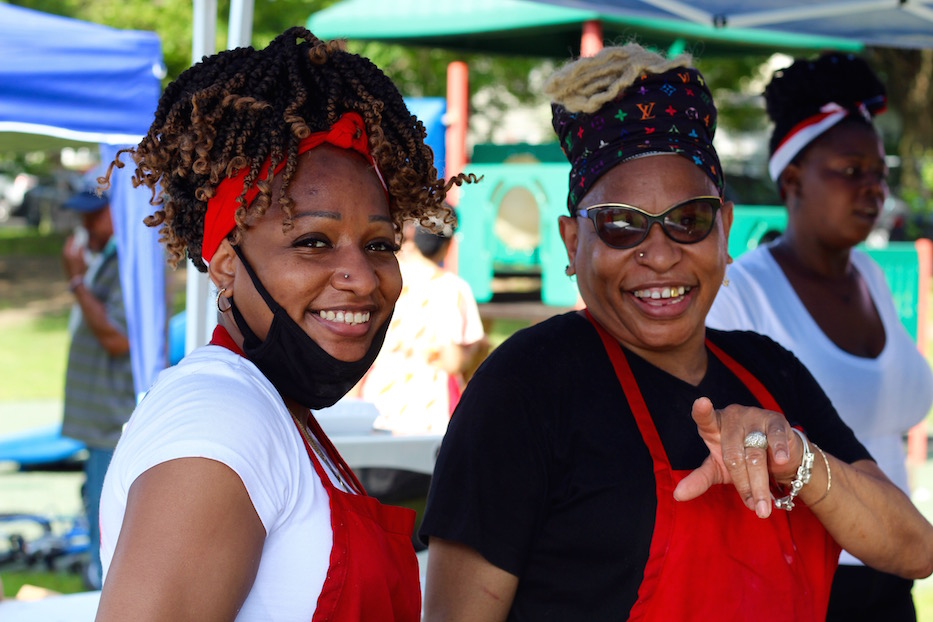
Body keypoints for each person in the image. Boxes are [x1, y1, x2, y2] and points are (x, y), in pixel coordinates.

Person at [419, 43, 933, 621]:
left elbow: (914, 548)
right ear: (571, 242)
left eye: (689, 221)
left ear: (725, 231)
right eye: (621, 226)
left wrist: (798, 459)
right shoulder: (525, 387)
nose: (660, 256)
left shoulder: (769, 370)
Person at [95, 27, 469, 620]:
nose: (364, 277)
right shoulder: (218, 419)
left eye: (378, 244)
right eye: (314, 241)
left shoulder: (276, 409)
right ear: (224, 264)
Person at [706, 52, 933, 621]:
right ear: (791, 179)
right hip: (803, 579)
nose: (873, 190)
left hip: (891, 569)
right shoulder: (742, 291)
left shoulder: (874, 279)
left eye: (879, 174)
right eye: (850, 170)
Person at [59, 186, 135, 591]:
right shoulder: (106, 256)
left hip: (113, 419)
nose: (86, 225)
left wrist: (76, 282)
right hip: (102, 422)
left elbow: (117, 339)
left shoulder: (125, 260)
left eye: (94, 214)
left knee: (107, 536)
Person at [361, 214, 488, 435]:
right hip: (429, 410)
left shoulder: (383, 281)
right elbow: (452, 361)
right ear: (447, 245)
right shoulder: (450, 288)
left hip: (378, 402)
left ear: (413, 236)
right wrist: (476, 349)